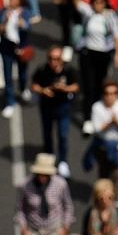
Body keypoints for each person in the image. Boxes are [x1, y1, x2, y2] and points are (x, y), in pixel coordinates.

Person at [30, 45, 80, 177]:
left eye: (57, 59)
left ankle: (63, 161)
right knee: (47, 134)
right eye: (51, 59)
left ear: (62, 59)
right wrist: (43, 90)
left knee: (63, 135)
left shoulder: (69, 71)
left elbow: (76, 86)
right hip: (47, 106)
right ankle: (49, 158)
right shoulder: (42, 70)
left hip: (63, 107)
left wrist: (65, 88)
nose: (54, 62)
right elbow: (34, 85)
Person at [15, 153, 72, 235]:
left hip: (54, 229)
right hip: (33, 229)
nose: (42, 177)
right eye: (40, 173)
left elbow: (68, 207)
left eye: (46, 174)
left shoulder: (60, 184)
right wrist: (24, 232)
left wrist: (65, 228)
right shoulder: (25, 185)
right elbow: (20, 210)